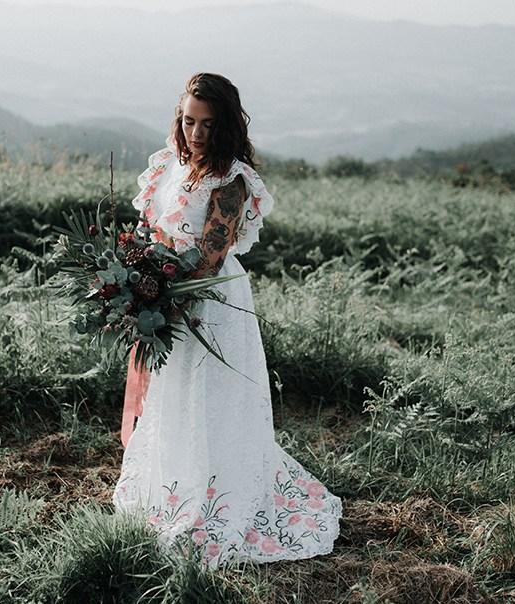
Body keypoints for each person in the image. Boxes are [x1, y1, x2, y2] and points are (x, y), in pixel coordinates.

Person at [112, 73, 342, 568]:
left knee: (208, 398)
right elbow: (150, 228)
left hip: (207, 299)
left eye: (208, 125)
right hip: (167, 288)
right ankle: (172, 484)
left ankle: (215, 496)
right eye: (188, 121)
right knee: (173, 396)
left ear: (227, 126)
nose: (195, 134)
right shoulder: (170, 166)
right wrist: (135, 275)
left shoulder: (230, 181)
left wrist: (162, 296)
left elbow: (211, 258)